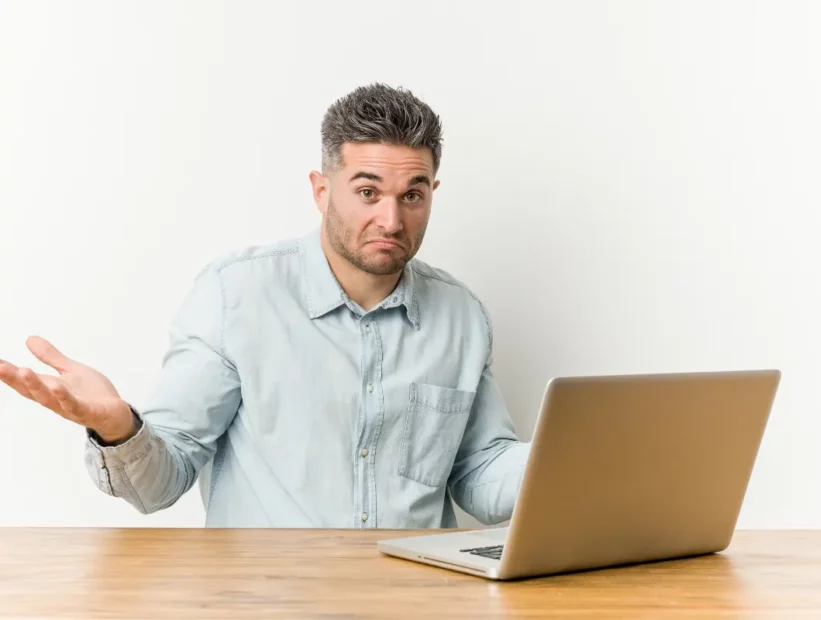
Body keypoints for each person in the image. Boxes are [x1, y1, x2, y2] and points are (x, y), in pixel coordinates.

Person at [0, 83, 530, 528]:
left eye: (412, 195)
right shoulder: (237, 297)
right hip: (271, 597)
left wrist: (582, 464)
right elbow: (159, 485)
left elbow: (478, 473)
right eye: (368, 192)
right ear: (322, 191)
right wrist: (120, 430)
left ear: (432, 192)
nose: (392, 220)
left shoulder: (461, 316)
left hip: (419, 599)